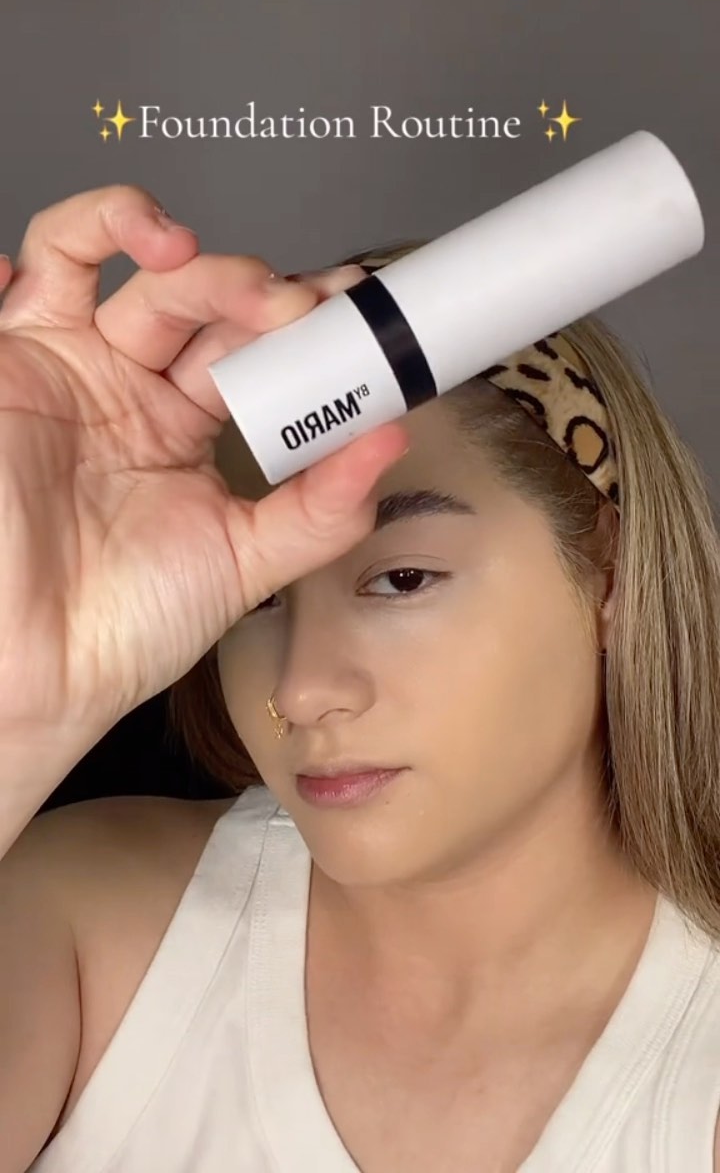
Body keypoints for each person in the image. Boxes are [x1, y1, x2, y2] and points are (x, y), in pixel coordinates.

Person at [0, 184, 718, 1173]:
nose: (300, 692)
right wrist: (15, 708)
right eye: (256, 598)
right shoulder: (85, 930)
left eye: (403, 578)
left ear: (608, 572)